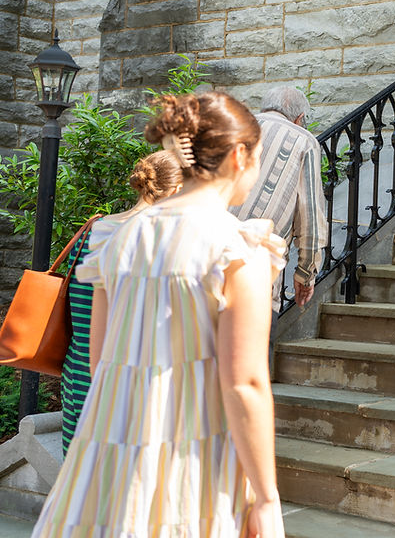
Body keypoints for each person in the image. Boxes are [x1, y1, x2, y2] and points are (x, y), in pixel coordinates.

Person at [32, 92, 287, 538]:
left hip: (109, 455)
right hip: (194, 456)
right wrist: (266, 497)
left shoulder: (115, 239)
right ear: (240, 155)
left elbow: (101, 362)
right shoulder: (237, 247)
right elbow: (244, 382)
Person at [60, 150, 183, 455]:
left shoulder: (96, 229)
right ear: (178, 190)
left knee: (79, 481)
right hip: (122, 386)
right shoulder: (158, 240)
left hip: (78, 373)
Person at [231, 86, 327, 313]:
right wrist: (305, 274)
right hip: (255, 278)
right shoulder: (305, 141)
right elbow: (310, 213)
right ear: (300, 118)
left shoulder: (235, 128)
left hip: (204, 268)